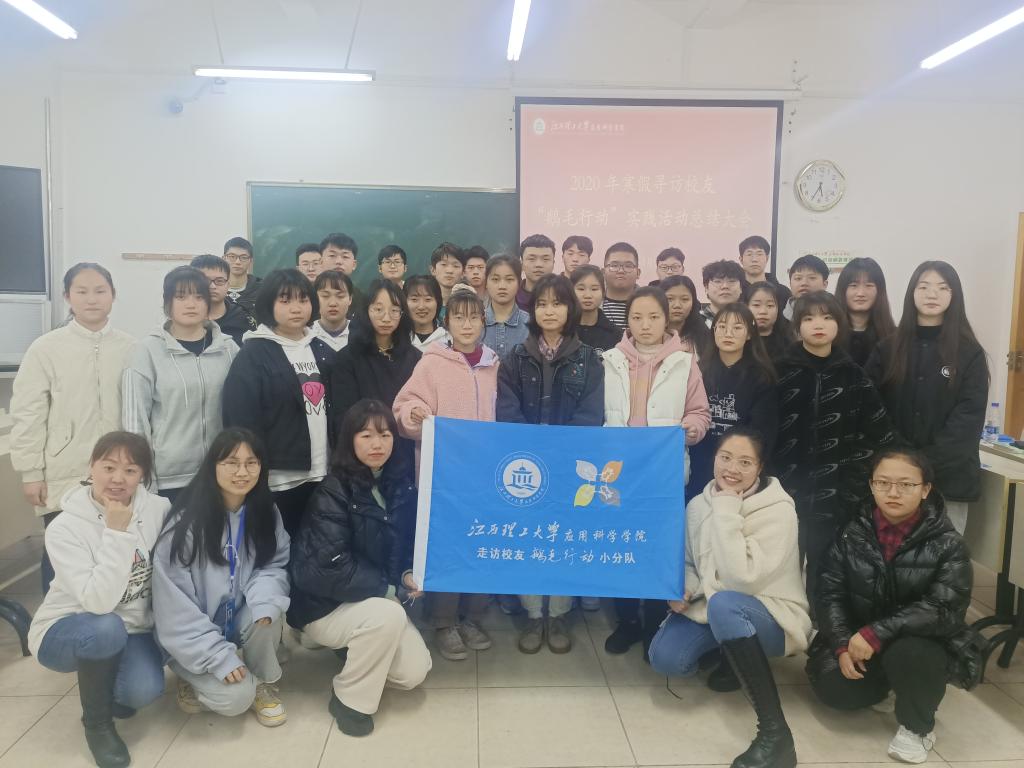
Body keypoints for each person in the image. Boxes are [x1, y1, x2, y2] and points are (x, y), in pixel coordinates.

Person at [807, 448, 984, 765]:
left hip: (920, 641)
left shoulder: (948, 544)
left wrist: (877, 632)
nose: (893, 492)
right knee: (836, 691)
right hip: (862, 639)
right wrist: (842, 644)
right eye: (883, 483)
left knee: (910, 654)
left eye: (906, 484)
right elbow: (829, 594)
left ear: (925, 489)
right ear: (871, 485)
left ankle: (918, 727)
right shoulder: (850, 534)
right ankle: (890, 684)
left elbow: (943, 609)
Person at [649, 428, 810, 768]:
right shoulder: (698, 504)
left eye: (745, 462)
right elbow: (690, 561)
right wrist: (685, 588)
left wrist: (726, 507)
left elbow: (742, 580)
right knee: (665, 658)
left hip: (770, 614)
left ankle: (776, 734)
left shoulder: (778, 509)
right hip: (714, 606)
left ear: (760, 467)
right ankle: (733, 654)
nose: (732, 469)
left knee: (726, 605)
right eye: (725, 457)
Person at [289, 399, 431, 736]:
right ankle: (349, 701)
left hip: (372, 601)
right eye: (366, 435)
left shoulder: (400, 486)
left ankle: (356, 647)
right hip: (324, 606)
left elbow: (402, 547)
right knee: (389, 615)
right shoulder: (332, 490)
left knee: (413, 672)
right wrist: (388, 589)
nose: (377, 444)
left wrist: (406, 574)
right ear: (349, 440)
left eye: (385, 435)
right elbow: (324, 567)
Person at [29, 432, 169, 768]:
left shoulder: (158, 509)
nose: (118, 479)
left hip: (132, 627)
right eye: (108, 467)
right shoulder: (64, 527)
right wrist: (117, 532)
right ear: (91, 466)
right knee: (105, 628)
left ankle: (108, 686)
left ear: (143, 476)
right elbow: (98, 603)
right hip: (66, 629)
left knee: (142, 691)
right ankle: (97, 725)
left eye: (130, 470)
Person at [11, 263, 135, 593]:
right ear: (68, 296)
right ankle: (57, 622)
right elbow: (28, 413)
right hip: (64, 472)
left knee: (115, 549)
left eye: (100, 291)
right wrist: (31, 472)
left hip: (119, 472)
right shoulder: (45, 348)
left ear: (113, 295)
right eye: (82, 291)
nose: (91, 299)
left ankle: (110, 619)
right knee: (61, 556)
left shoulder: (131, 348)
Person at [497, 274, 605, 653]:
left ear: (569, 309)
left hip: (571, 465)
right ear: (532, 310)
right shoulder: (515, 357)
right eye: (542, 303)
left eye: (557, 303)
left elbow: (591, 415)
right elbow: (507, 412)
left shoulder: (589, 359)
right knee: (528, 537)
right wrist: (532, 451)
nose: (549, 310)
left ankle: (558, 613)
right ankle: (532, 614)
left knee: (564, 538)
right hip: (525, 467)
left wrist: (557, 451)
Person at [153, 428, 290, 727]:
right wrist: (218, 658)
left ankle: (262, 682)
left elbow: (273, 565)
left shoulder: (265, 512)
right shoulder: (186, 523)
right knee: (236, 699)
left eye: (251, 463)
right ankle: (192, 673)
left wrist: (264, 602)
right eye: (231, 462)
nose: (242, 472)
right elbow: (175, 608)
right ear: (212, 466)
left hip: (235, 617)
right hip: (191, 634)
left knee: (268, 610)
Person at [602, 286, 711, 656]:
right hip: (619, 475)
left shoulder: (684, 362)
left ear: (667, 319)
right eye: (636, 317)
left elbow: (700, 413)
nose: (645, 325)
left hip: (663, 474)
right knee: (619, 546)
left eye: (653, 317)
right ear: (627, 321)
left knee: (656, 549)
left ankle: (652, 623)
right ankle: (627, 622)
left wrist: (690, 429)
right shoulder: (610, 359)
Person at [394, 290, 499, 660]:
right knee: (448, 548)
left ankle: (472, 617)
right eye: (459, 317)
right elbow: (405, 404)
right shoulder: (431, 363)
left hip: (485, 476)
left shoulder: (493, 364)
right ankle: (443, 622)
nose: (467, 324)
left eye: (474, 317)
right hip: (444, 476)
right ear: (447, 322)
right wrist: (414, 414)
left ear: (483, 322)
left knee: (481, 545)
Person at [773, 291, 897, 603]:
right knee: (780, 565)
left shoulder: (853, 374)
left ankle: (822, 625)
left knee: (825, 569)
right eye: (809, 318)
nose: (819, 324)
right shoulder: (779, 372)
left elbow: (879, 432)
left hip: (835, 493)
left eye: (827, 317)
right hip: (783, 492)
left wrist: (855, 479)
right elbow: (765, 430)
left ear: (839, 325)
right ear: (797, 326)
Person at [865, 261, 989, 535]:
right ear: (912, 293)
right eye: (924, 287)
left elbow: (967, 419)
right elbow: (871, 409)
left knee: (942, 557)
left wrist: (921, 466)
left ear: (954, 296)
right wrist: (901, 463)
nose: (932, 294)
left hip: (949, 480)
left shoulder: (970, 353)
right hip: (893, 480)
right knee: (889, 555)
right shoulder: (887, 348)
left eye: (943, 288)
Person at [222, 269, 331, 537]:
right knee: (280, 549)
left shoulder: (321, 348)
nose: (296, 308)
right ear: (268, 304)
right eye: (285, 300)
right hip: (279, 479)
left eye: (303, 299)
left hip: (324, 472)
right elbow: (241, 419)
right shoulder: (253, 354)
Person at [122, 266, 238, 504]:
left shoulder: (229, 349)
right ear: (168, 303)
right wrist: (143, 477)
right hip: (168, 479)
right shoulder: (146, 351)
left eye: (199, 297)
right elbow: (135, 422)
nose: (191, 304)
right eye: (181, 296)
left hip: (220, 473)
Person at [687, 303, 777, 498]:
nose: (728, 333)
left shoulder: (762, 377)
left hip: (738, 467)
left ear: (749, 334)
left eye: (737, 327)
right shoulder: (697, 371)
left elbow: (762, 432)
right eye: (721, 327)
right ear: (713, 331)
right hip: (700, 463)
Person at [331, 279, 421, 463]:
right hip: (364, 454)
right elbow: (344, 417)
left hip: (406, 454)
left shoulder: (416, 358)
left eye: (394, 311)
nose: (386, 318)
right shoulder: (347, 358)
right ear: (366, 311)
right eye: (378, 309)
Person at [835, 257, 896, 368]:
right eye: (853, 285)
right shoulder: (829, 334)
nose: (861, 293)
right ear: (843, 290)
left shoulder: (893, 337)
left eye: (869, 285)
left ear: (879, 291)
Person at [191, 254, 257, 347]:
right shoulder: (182, 319)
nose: (212, 286)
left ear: (228, 285)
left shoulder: (244, 319)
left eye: (219, 281)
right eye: (205, 280)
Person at [483, 254, 531, 359]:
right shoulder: (475, 323)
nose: (502, 286)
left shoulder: (530, 324)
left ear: (519, 283)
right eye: (495, 279)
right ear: (486, 282)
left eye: (509, 280)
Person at [571, 265, 621, 356]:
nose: (588, 295)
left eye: (594, 289)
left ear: (603, 293)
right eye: (581, 289)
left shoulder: (615, 334)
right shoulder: (562, 330)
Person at [660, 274, 710, 356]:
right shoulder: (649, 335)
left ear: (693, 303)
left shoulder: (704, 337)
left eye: (684, 299)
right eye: (670, 299)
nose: (677, 305)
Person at [312, 269, 354, 365]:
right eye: (325, 296)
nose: (333, 303)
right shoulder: (307, 335)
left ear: (350, 299)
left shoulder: (361, 334)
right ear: (315, 298)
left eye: (340, 296)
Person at [738, 235, 791, 306]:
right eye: (749, 254)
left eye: (759, 254)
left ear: (767, 258)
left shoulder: (783, 292)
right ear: (741, 259)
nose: (754, 259)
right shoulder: (735, 291)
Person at [747, 280, 793, 361]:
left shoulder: (790, 344)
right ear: (746, 307)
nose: (763, 311)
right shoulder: (739, 342)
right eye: (756, 305)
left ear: (778, 309)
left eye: (770, 305)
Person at [403, 275, 450, 352]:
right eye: (414, 299)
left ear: (438, 302)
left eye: (428, 299)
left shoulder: (449, 339)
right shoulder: (396, 338)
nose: (421, 306)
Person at [602, 241, 641, 330]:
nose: (621, 271)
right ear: (603, 272)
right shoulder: (591, 303)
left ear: (638, 273)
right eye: (614, 265)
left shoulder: (651, 303)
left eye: (628, 266)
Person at [223, 236, 262, 317]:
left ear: (251, 261)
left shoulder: (263, 289)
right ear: (223, 259)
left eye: (243, 257)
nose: (237, 262)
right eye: (232, 257)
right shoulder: (213, 288)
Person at [700, 260, 746, 328]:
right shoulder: (694, 322)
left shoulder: (749, 321)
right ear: (706, 288)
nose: (725, 286)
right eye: (718, 281)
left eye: (731, 281)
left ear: (741, 288)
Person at [516, 234, 557, 310]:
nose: (539, 265)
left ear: (553, 263)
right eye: (532, 259)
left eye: (545, 259)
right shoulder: (512, 297)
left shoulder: (564, 297)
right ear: (522, 264)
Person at [783, 254, 829, 320]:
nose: (804, 283)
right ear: (790, 284)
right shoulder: (776, 317)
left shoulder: (835, 315)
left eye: (812, 278)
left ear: (824, 284)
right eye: (798, 278)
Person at [429, 241, 466, 308]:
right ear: (433, 270)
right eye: (444, 264)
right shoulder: (424, 305)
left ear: (463, 273)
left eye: (456, 266)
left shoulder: (469, 305)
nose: (449, 271)